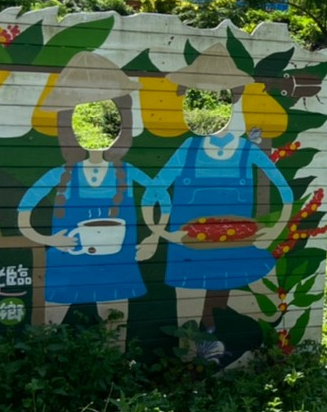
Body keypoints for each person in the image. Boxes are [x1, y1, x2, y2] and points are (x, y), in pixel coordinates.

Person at [144, 44, 294, 364]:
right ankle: (200, 348)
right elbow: (153, 191)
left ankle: (210, 345)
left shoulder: (247, 152)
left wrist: (272, 231)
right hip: (189, 246)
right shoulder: (187, 148)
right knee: (195, 299)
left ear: (233, 101)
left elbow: (287, 193)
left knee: (223, 291)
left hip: (236, 244)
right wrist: (159, 232)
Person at [18, 55, 155, 327]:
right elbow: (24, 212)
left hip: (118, 266)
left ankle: (117, 369)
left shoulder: (127, 173)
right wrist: (48, 239)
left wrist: (154, 238)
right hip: (66, 264)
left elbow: (160, 197)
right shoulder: (61, 176)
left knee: (116, 327)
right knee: (48, 326)